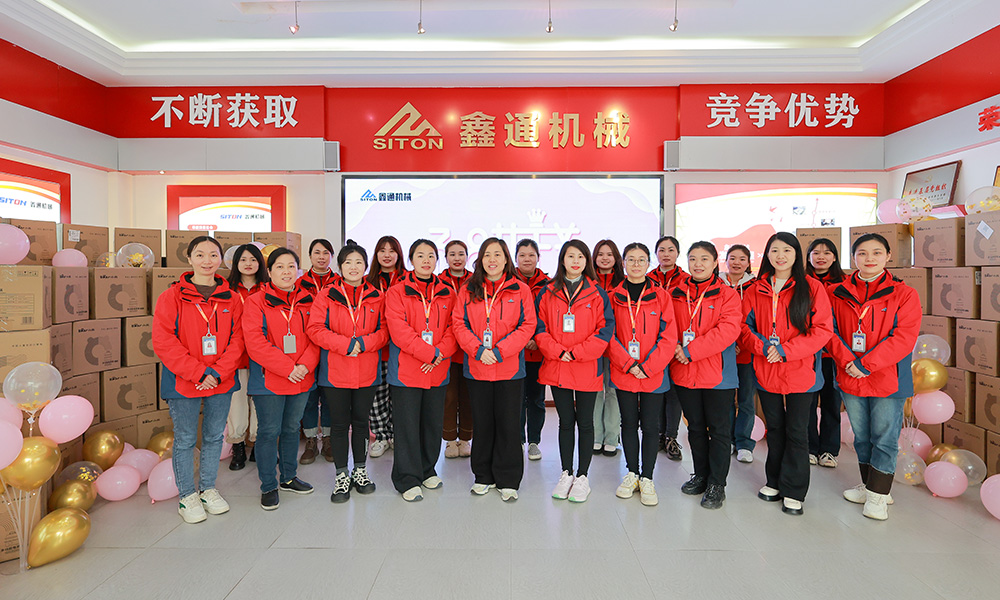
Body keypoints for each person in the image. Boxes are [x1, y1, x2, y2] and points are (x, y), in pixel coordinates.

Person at [827, 233, 921, 520]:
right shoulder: (836, 293)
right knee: (862, 437)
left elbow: (904, 337)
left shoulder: (904, 294)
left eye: (877, 253)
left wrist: (866, 364)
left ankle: (879, 497)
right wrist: (849, 362)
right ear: (853, 257)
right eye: (862, 253)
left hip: (887, 378)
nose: (869, 258)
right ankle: (871, 486)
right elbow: (828, 331)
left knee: (884, 438)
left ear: (888, 256)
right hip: (850, 375)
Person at [740, 232, 833, 516]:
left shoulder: (812, 287)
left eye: (787, 251)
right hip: (766, 368)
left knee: (797, 431)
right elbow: (743, 327)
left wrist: (785, 350)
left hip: (801, 371)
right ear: (767, 255)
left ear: (796, 255)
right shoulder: (756, 289)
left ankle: (794, 490)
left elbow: (822, 330)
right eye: (774, 250)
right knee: (775, 429)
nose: (780, 256)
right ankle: (774, 481)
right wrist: (763, 346)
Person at [152, 236, 244, 524]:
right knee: (185, 439)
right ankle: (187, 496)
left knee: (215, 436)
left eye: (213, 255)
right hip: (183, 380)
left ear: (221, 259)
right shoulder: (172, 296)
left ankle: (208, 489)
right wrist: (199, 373)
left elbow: (238, 340)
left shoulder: (232, 298)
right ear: (189, 258)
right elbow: (164, 341)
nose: (207, 260)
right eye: (200, 254)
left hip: (221, 379)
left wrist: (216, 372)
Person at [452, 237, 537, 502]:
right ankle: (483, 476)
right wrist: (478, 350)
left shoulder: (520, 289)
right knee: (483, 424)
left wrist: (499, 351)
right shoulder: (468, 289)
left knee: (509, 425)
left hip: (509, 368)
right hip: (477, 367)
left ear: (506, 259)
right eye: (487, 254)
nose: (492, 260)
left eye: (497, 254)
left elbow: (527, 325)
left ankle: (508, 479)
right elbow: (459, 324)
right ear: (480, 259)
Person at [307, 240, 388, 503]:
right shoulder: (326, 295)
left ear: (366, 266)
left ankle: (360, 471)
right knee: (340, 425)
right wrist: (345, 344)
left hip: (367, 370)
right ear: (340, 266)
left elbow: (385, 331)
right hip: (336, 372)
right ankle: (342, 475)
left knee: (362, 423)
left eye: (358, 262)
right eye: (348, 262)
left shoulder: (376, 296)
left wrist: (363, 343)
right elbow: (315, 329)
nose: (353, 267)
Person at [536, 240, 614, 503]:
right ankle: (566, 473)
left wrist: (578, 352)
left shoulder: (597, 293)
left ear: (586, 261)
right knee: (565, 422)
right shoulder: (547, 292)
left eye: (580, 256)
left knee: (586, 422)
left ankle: (582, 476)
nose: (576, 261)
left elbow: (605, 330)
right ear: (562, 260)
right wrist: (558, 351)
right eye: (571, 256)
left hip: (586, 365)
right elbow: (539, 328)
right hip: (558, 364)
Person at [242, 247, 319, 510]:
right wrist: (288, 368)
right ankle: (268, 485)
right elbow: (255, 342)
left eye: (291, 266)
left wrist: (304, 366)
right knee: (268, 431)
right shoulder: (256, 301)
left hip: (301, 377)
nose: (286, 272)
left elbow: (316, 336)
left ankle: (288, 477)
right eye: (280, 267)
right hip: (269, 380)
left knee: (291, 429)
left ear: (299, 270)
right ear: (269, 271)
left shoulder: (308, 300)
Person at [384, 239, 457, 502]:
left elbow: (454, 328)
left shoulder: (448, 292)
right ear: (411, 260)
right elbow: (399, 330)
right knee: (407, 426)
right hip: (407, 370)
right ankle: (407, 478)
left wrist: (439, 353)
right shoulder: (397, 292)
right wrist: (430, 353)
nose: (426, 260)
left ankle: (427, 470)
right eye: (420, 255)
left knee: (431, 423)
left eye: (431, 256)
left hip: (437, 368)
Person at [670, 242, 741, 509]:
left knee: (720, 431)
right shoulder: (676, 293)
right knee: (696, 428)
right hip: (685, 371)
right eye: (692, 259)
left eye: (704, 259)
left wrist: (690, 351)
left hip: (718, 375)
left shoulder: (727, 295)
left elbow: (727, 331)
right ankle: (700, 475)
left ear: (714, 263)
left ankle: (717, 484)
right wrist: (676, 348)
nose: (698, 264)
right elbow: (667, 326)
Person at [607, 242, 676, 506]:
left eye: (641, 259)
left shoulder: (661, 296)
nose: (636, 264)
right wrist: (628, 363)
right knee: (628, 423)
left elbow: (668, 336)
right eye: (631, 259)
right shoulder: (613, 296)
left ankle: (647, 477)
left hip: (652, 373)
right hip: (624, 371)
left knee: (650, 426)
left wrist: (648, 366)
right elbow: (608, 334)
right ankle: (632, 473)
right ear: (623, 263)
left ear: (649, 263)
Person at [224, 243, 268, 471]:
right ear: (236, 263)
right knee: (237, 401)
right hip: (236, 355)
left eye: (253, 259)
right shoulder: (226, 289)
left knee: (261, 400)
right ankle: (238, 446)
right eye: (243, 259)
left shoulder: (268, 288)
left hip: (262, 354)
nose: (248, 264)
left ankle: (259, 444)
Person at [805, 238, 847, 468]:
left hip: (834, 353)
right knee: (808, 403)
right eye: (816, 252)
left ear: (834, 257)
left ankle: (829, 450)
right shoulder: (800, 282)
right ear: (808, 256)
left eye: (827, 252)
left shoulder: (845, 283)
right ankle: (809, 448)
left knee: (832, 402)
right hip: (808, 352)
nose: (821, 257)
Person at [297, 238, 337, 464]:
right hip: (306, 346)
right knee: (309, 396)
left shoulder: (340, 282)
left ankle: (329, 439)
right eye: (317, 253)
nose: (321, 257)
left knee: (330, 395)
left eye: (326, 253)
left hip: (333, 347)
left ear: (332, 256)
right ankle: (311, 440)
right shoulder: (299, 283)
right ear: (309, 256)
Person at [366, 235, 407, 458]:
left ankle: (398, 434)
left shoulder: (408, 280)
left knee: (400, 395)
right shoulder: (367, 281)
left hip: (403, 349)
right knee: (378, 394)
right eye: (382, 250)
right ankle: (381, 435)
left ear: (399, 254)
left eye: (392, 250)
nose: (387, 255)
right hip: (377, 348)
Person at [649, 235, 685, 461]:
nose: (666, 254)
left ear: (678, 253)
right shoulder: (647, 279)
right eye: (662, 250)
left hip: (679, 343)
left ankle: (671, 436)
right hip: (653, 344)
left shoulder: (686, 280)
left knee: (674, 392)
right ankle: (659, 436)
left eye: (671, 250)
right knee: (657, 391)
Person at [515, 239, 549, 461]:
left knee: (536, 399)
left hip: (538, 351)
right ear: (516, 258)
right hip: (514, 352)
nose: (527, 259)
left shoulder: (548, 284)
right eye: (522, 255)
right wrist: (522, 339)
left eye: (531, 255)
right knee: (516, 399)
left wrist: (537, 339)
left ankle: (534, 441)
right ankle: (518, 439)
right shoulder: (509, 282)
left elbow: (550, 317)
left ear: (538, 257)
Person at [722, 244, 757, 464]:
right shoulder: (717, 284)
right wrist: (728, 343)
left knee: (746, 400)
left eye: (742, 259)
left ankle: (744, 443)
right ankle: (727, 440)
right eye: (732, 258)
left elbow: (756, 321)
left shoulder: (756, 286)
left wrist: (742, 344)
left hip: (747, 352)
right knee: (725, 400)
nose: (736, 263)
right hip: (723, 352)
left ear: (748, 262)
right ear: (725, 260)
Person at [439, 240, 474, 459]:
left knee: (468, 396)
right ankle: (450, 440)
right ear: (446, 258)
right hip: (447, 347)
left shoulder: (475, 280)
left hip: (470, 347)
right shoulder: (438, 281)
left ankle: (466, 439)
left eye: (461, 254)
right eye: (452, 254)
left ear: (467, 256)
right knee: (449, 396)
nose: (457, 258)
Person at [592, 239, 625, 456]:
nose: (605, 258)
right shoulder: (587, 283)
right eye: (601, 254)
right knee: (594, 390)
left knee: (613, 391)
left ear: (616, 258)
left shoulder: (624, 284)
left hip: (617, 346)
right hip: (593, 345)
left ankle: (612, 437)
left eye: (609, 254)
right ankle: (596, 436)